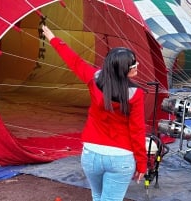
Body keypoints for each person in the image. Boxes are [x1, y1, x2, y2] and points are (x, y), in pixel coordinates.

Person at [42, 25, 147, 201]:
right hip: (120, 157)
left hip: (91, 154)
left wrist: (54, 39)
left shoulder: (94, 78)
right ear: (123, 70)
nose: (137, 67)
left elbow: (74, 61)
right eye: (134, 65)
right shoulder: (136, 94)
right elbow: (137, 131)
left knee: (97, 196)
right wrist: (142, 163)